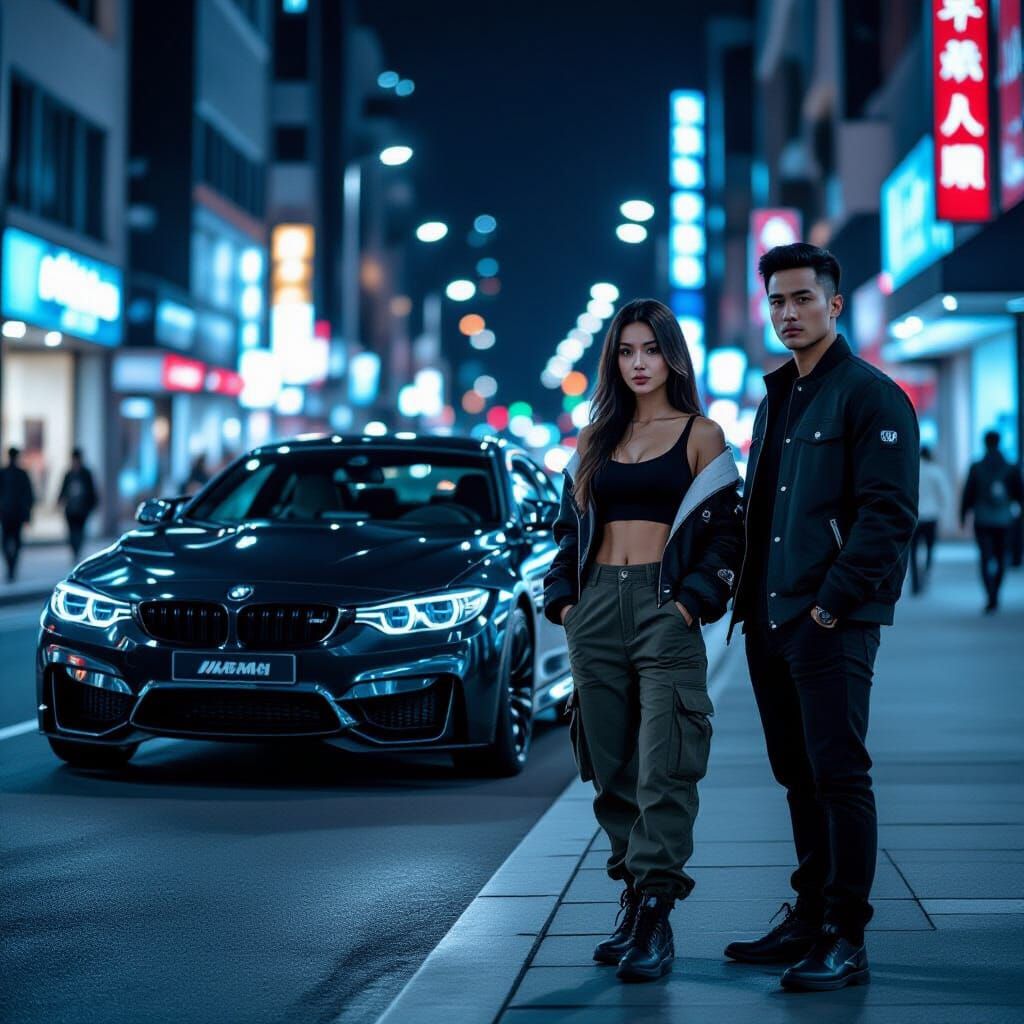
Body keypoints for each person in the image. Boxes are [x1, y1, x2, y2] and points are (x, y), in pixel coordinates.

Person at [725, 243, 919, 992]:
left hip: (827, 620)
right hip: (770, 618)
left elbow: (888, 514)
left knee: (839, 773)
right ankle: (809, 914)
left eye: (802, 298)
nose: (788, 313)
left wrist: (833, 607)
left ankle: (846, 934)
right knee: (796, 774)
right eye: (777, 301)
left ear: (835, 304)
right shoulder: (779, 395)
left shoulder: (871, 395)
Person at [543, 298, 743, 983]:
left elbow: (726, 533)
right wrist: (565, 602)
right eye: (626, 351)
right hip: (596, 608)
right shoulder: (595, 438)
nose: (637, 363)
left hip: (664, 609)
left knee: (666, 759)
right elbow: (567, 531)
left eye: (649, 350)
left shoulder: (701, 434)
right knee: (607, 759)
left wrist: (693, 604)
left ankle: (655, 912)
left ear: (671, 356)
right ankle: (633, 893)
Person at [960, 431, 1024, 613]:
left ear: (984, 443)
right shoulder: (1010, 467)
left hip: (982, 519)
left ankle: (990, 595)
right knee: (1002, 557)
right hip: (1004, 519)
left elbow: (968, 494)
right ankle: (996, 592)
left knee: (985, 557)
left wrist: (963, 516)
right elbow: (1020, 494)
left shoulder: (976, 467)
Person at [910, 447, 950, 594]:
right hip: (931, 516)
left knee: (913, 551)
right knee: (929, 548)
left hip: (914, 516)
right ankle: (926, 574)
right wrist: (942, 512)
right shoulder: (936, 471)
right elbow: (944, 495)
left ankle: (915, 582)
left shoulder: (912, 469)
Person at [0, 447, 36, 582]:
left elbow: (28, 495)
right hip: (14, 514)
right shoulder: (20, 474)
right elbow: (29, 496)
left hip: (9, 514)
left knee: (7, 542)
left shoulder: (6, 473)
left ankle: (11, 568)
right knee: (14, 542)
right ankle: (11, 568)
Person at [57, 448, 99, 563]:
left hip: (82, 509)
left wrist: (93, 505)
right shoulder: (69, 474)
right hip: (70, 509)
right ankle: (74, 550)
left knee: (80, 532)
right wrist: (59, 501)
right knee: (71, 533)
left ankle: (77, 551)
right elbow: (63, 489)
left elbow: (92, 491)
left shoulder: (86, 474)